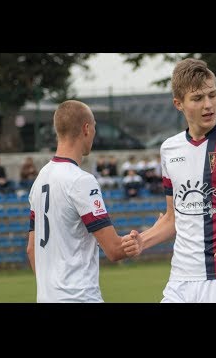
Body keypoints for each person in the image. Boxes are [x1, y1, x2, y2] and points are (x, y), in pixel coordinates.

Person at [121, 58, 216, 303]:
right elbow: (173, 217)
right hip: (180, 279)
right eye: (197, 98)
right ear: (178, 103)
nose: (208, 104)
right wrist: (143, 241)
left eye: (212, 95)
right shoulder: (169, 149)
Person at [26, 100, 140, 303]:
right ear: (86, 129)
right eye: (94, 126)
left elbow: (31, 249)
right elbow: (114, 250)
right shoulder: (81, 180)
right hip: (80, 297)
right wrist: (145, 237)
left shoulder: (40, 179)